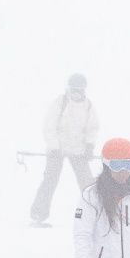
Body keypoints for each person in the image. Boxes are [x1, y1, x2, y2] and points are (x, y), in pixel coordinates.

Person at [29, 73, 99, 226]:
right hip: (57, 150)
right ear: (68, 88)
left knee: (87, 183)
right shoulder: (60, 102)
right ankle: (38, 215)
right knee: (50, 180)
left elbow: (92, 129)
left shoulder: (88, 106)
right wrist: (53, 146)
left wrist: (89, 146)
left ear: (84, 90)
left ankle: (95, 214)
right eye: (73, 89)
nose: (76, 93)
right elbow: (49, 126)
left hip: (78, 150)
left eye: (79, 90)